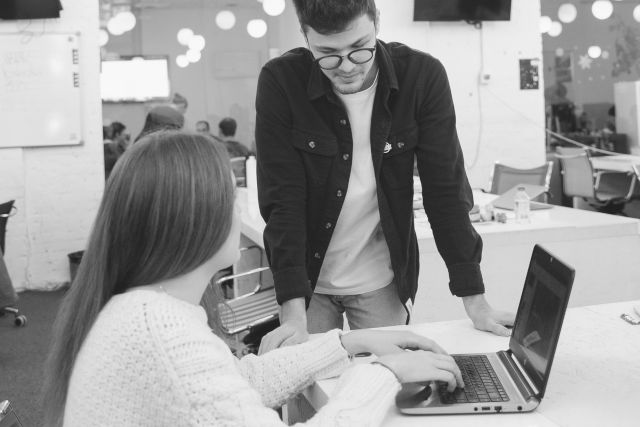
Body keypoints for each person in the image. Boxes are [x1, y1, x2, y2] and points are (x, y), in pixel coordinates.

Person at [42, 131, 463, 426]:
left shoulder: (145, 309)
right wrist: (384, 373)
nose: (239, 209)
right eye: (231, 197)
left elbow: (236, 385)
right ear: (194, 221)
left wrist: (350, 343)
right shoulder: (163, 333)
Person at [255, 0, 514, 353]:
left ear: (376, 21)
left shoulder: (420, 77)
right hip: (307, 283)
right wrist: (292, 312)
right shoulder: (281, 82)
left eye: (359, 49)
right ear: (305, 36)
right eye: (328, 54)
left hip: (382, 279)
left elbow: (446, 190)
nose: (346, 67)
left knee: (390, 390)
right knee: (308, 394)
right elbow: (282, 200)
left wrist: (475, 298)